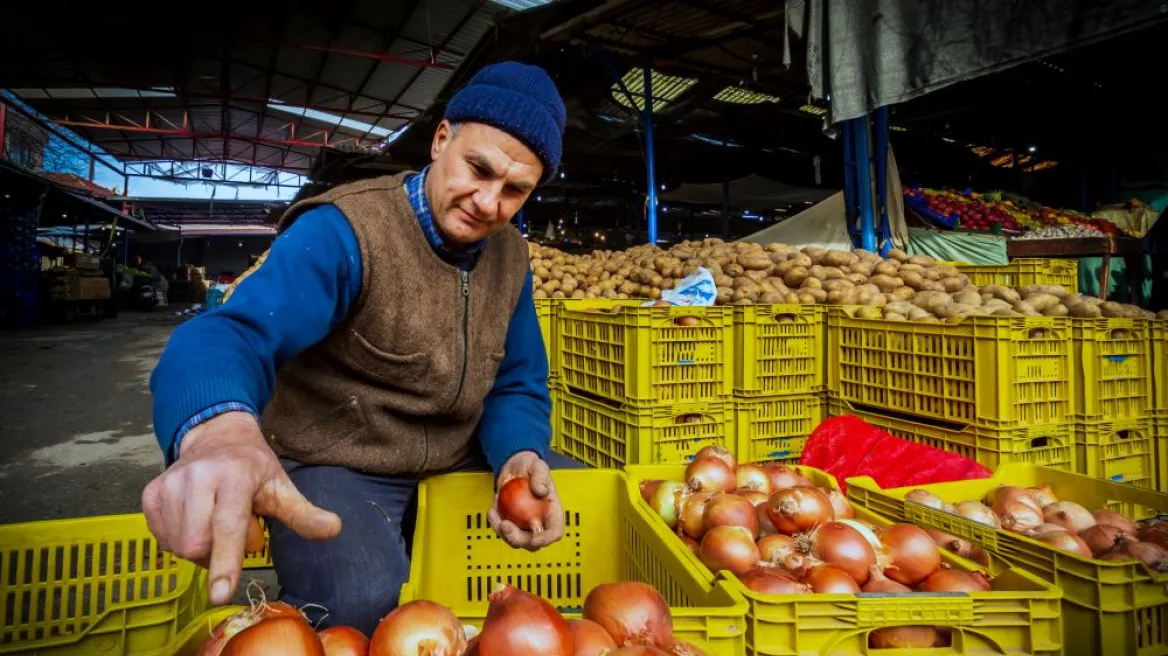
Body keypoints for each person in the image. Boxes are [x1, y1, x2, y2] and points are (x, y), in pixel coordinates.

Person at [142, 61, 570, 634]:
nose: (489, 202)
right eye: (478, 169)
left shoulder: (511, 258)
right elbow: (230, 333)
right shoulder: (347, 231)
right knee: (361, 603)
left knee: (569, 520)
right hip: (338, 456)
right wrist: (218, 430)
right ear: (442, 139)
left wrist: (520, 454)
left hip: (452, 448)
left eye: (515, 190)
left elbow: (517, 381)